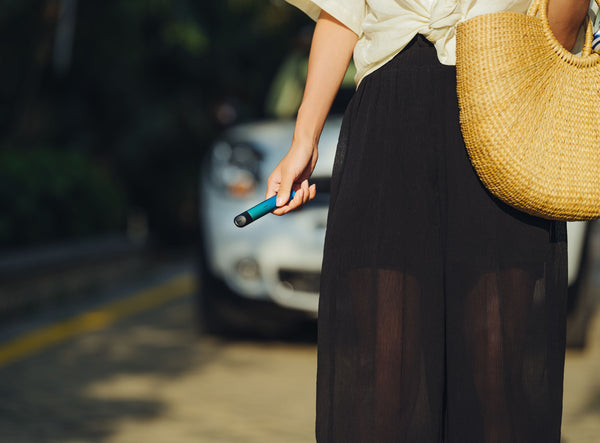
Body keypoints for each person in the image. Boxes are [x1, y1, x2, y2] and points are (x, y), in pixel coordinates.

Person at [265, 1, 591, 441]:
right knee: (385, 376)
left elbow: (563, 21)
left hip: (507, 106)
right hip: (389, 119)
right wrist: (304, 138)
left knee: (498, 383)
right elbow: (342, 11)